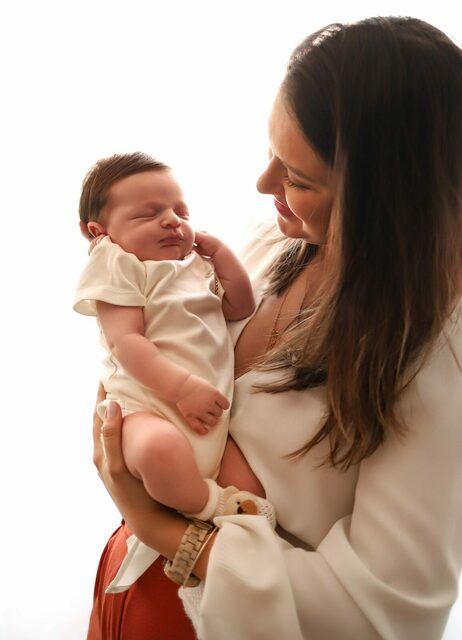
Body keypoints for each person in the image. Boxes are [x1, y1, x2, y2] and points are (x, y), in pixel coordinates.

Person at [88, 16, 462, 640]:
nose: (264, 186)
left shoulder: (437, 353)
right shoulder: (276, 243)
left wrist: (164, 531)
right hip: (126, 580)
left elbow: (383, 618)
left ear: (387, 202)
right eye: (272, 155)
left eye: (297, 177)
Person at [75, 154, 273, 591]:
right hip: (150, 407)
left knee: (254, 493)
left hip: (207, 419)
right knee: (160, 453)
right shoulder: (119, 264)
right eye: (149, 214)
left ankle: (229, 539)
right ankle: (209, 504)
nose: (172, 222)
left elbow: (239, 307)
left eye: (180, 212)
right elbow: (127, 342)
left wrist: (222, 258)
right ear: (100, 232)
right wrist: (182, 388)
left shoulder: (193, 266)